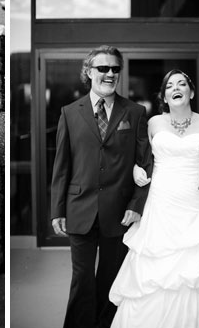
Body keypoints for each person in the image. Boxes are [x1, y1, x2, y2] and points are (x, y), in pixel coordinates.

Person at [109, 69, 199, 327]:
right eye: (170, 85)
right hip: (162, 199)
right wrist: (137, 170)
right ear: (164, 96)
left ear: (191, 92)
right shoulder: (153, 124)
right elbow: (141, 159)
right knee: (159, 259)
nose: (176, 88)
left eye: (181, 83)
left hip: (198, 200)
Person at [50, 45, 153, 328]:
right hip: (79, 208)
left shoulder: (134, 112)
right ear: (89, 72)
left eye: (115, 69)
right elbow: (62, 165)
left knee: (111, 280)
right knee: (81, 280)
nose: (109, 74)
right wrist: (56, 209)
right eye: (103, 68)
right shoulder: (70, 112)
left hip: (119, 212)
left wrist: (136, 206)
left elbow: (146, 165)